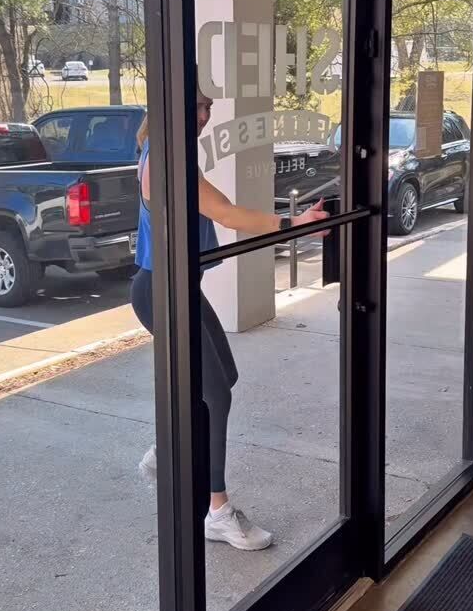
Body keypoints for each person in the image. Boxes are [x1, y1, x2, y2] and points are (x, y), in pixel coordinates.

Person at [131, 84, 328, 551]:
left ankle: (168, 450)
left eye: (208, 106)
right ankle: (217, 511)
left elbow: (217, 205)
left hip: (178, 289)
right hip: (161, 292)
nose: (206, 114)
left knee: (225, 377)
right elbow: (225, 213)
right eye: (198, 105)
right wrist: (292, 225)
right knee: (215, 394)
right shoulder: (165, 158)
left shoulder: (166, 150)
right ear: (172, 104)